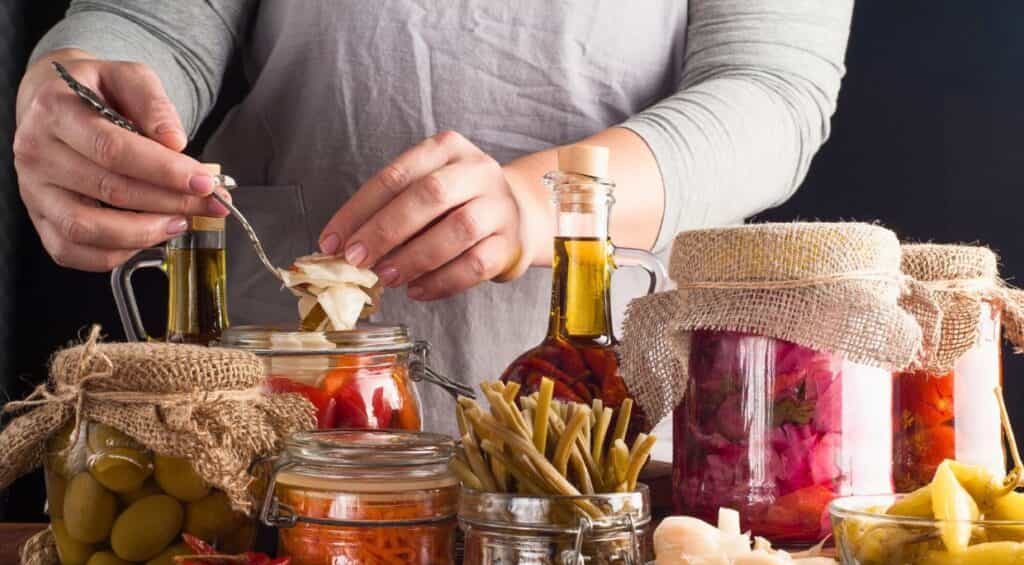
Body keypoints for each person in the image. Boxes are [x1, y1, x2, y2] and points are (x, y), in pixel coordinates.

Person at [14, 0, 853, 432]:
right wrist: (76, 88)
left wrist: (538, 204)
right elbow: (151, 20)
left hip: (612, 411)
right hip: (273, 393)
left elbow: (773, 89)